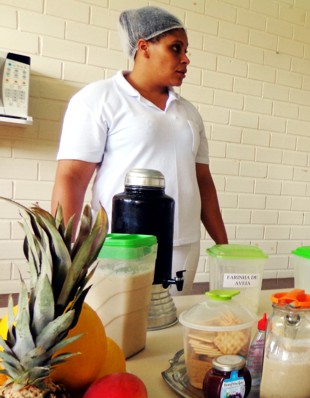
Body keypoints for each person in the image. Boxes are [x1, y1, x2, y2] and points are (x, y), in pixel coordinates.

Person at [51, 6, 227, 295]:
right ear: (143, 47)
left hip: (183, 246)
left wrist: (223, 246)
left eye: (185, 50)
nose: (186, 59)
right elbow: (71, 178)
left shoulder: (189, 113)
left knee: (170, 329)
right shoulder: (99, 99)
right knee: (120, 332)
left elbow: (203, 181)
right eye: (175, 48)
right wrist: (64, 257)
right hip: (120, 248)